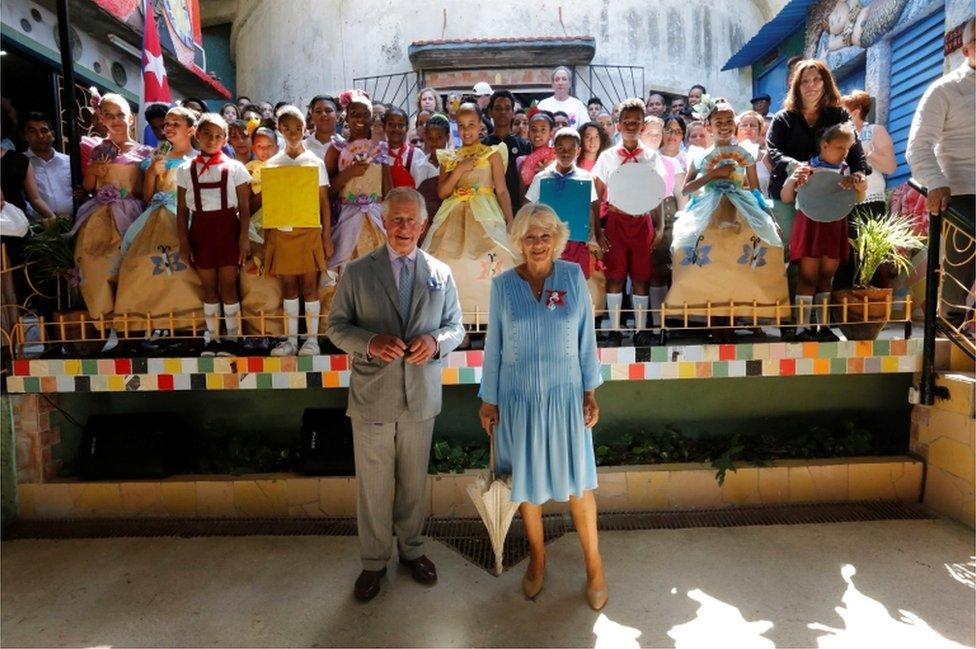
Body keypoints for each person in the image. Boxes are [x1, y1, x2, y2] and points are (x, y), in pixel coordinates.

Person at [327, 187, 464, 603]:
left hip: (421, 396)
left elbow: (456, 326)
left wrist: (436, 341)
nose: (404, 227)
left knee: (412, 483)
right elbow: (336, 327)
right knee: (372, 484)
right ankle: (373, 562)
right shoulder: (357, 271)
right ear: (384, 223)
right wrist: (370, 343)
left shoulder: (440, 271)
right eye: (397, 219)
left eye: (412, 220)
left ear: (423, 225)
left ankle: (412, 550)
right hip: (374, 395)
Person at [478, 202, 607, 610]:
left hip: (566, 399)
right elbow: (493, 348)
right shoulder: (502, 286)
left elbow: (587, 339)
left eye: (545, 235)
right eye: (530, 236)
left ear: (557, 239)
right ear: (518, 240)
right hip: (519, 401)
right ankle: (538, 557)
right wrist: (488, 400)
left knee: (579, 487)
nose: (538, 243)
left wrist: (590, 391)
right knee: (527, 487)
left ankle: (595, 566)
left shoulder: (572, 276)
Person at [667, 97, 787, 339]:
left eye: (728, 120)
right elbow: (687, 188)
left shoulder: (746, 153)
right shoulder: (700, 155)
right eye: (717, 121)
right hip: (707, 207)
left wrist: (764, 214)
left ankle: (746, 310)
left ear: (734, 124)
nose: (723, 125)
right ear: (708, 126)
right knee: (692, 247)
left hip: (740, 206)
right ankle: (713, 314)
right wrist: (712, 174)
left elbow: (754, 189)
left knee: (761, 246)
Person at [906, 17, 974, 325]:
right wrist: (935, 182)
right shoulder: (944, 91)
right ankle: (951, 327)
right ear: (967, 50)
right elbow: (919, 146)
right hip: (962, 195)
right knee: (961, 269)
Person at [422, 102, 514, 323]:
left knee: (493, 261)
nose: (466, 130)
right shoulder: (448, 157)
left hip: (485, 213)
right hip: (453, 214)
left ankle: (490, 319)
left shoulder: (493, 154)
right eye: (461, 125)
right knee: (451, 263)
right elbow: (443, 192)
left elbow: (501, 190)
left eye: (471, 124)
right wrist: (460, 169)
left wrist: (511, 221)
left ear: (481, 125)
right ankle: (457, 320)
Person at [115, 106, 202, 340]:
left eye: (176, 124)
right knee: (139, 261)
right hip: (158, 215)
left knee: (184, 265)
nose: (169, 128)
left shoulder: (198, 159)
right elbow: (146, 196)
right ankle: (143, 318)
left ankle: (188, 320)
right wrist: (153, 173)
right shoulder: (158, 155)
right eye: (167, 124)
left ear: (191, 130)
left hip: (187, 216)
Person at [766, 59, 869, 251]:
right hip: (787, 193)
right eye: (805, 81)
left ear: (826, 83)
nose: (811, 85)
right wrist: (795, 165)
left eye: (817, 79)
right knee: (786, 249)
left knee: (821, 254)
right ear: (796, 85)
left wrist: (860, 173)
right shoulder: (782, 118)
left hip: (826, 193)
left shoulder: (839, 116)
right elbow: (773, 151)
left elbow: (855, 149)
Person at [779, 122, 867, 340]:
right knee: (808, 277)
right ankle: (803, 328)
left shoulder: (847, 172)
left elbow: (857, 200)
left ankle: (823, 327)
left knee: (827, 277)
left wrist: (859, 186)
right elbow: (786, 197)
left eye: (847, 149)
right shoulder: (806, 168)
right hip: (810, 225)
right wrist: (793, 179)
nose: (845, 153)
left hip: (834, 225)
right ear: (825, 145)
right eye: (840, 148)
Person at [175, 113, 251, 356]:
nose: (212, 139)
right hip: (200, 230)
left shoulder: (235, 168)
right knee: (208, 288)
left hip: (228, 229)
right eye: (207, 134)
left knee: (228, 285)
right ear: (196, 134)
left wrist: (244, 237)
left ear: (225, 139)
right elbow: (181, 210)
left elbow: (245, 207)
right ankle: (213, 337)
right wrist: (184, 242)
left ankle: (232, 337)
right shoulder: (186, 169)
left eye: (218, 135)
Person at [72, 92, 152, 324]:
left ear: (130, 118)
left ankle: (133, 321)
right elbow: (89, 186)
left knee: (130, 266)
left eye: (120, 115)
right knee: (96, 265)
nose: (116, 120)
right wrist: (93, 172)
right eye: (109, 116)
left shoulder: (144, 152)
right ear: (102, 119)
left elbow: (148, 189)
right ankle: (104, 320)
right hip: (99, 214)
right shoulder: (98, 150)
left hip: (132, 214)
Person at [591, 98, 665, 345]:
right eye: (626, 122)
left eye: (636, 122)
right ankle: (614, 329)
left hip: (642, 222)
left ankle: (641, 330)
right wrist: (597, 230)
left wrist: (660, 226)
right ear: (618, 124)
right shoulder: (608, 157)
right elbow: (596, 195)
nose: (631, 126)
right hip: (616, 222)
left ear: (643, 125)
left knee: (642, 277)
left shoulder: (652, 157)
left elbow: (657, 194)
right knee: (615, 276)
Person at [262, 105, 333, 357]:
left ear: (305, 129)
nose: (292, 133)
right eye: (287, 128)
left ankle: (311, 339)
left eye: (297, 128)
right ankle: (290, 339)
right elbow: (269, 205)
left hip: (309, 231)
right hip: (282, 232)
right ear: (280, 130)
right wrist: (268, 237)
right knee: (288, 288)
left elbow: (323, 201)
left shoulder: (315, 162)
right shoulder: (272, 164)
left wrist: (326, 236)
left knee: (309, 287)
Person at [525, 127, 605, 278]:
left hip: (577, 242)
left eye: (571, 148)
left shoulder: (586, 178)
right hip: (549, 243)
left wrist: (595, 232)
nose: (566, 153)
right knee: (550, 282)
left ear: (578, 151)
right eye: (561, 148)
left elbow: (592, 208)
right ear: (554, 150)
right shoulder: (542, 178)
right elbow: (528, 207)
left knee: (575, 282)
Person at [327, 90, 391, 272]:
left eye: (365, 114)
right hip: (346, 217)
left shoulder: (379, 150)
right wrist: (350, 173)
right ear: (346, 118)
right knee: (348, 266)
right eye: (354, 114)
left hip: (376, 217)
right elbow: (328, 190)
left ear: (372, 119)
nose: (360, 119)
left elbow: (388, 190)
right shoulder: (337, 148)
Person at [842, 91, 895, 216]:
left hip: (870, 200)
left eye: (841, 111)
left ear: (855, 113)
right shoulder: (839, 136)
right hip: (843, 201)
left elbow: (890, 167)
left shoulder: (874, 131)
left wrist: (865, 152)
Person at [483, 89, 531, 213]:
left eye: (507, 108)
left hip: (517, 207)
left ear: (512, 112)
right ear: (490, 112)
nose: (503, 112)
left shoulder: (524, 145)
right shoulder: (482, 145)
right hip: (488, 209)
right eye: (498, 108)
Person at [22, 112, 72, 218]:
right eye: (32, 132)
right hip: (38, 227)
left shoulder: (68, 162)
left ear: (53, 135)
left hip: (73, 222)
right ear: (25, 136)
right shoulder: (20, 163)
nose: (40, 136)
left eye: (44, 131)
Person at [412, 113, 450, 223]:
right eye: (430, 138)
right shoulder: (417, 165)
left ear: (447, 137)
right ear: (425, 138)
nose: (434, 142)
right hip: (425, 220)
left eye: (439, 137)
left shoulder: (455, 165)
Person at [385, 107, 422, 189]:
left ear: (407, 128)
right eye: (391, 124)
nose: (396, 128)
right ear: (385, 127)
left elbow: (421, 186)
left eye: (401, 125)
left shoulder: (416, 154)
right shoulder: (378, 154)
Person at [735, 110, 770, 197]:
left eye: (753, 125)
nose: (748, 128)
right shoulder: (726, 155)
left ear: (760, 131)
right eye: (744, 125)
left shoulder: (767, 157)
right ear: (736, 131)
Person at [518, 110, 556, 191]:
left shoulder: (558, 159)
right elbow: (522, 195)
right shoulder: (522, 162)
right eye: (533, 129)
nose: (537, 134)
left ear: (551, 134)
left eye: (543, 130)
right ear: (528, 133)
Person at [304, 95, 338, 161]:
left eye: (328, 111)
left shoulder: (346, 147)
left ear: (337, 117)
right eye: (318, 111)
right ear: (312, 117)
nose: (323, 114)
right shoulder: (302, 147)